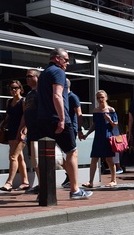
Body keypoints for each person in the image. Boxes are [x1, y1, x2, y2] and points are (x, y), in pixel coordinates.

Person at [37, 47, 91, 200]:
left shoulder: (43, 74)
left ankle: (44, 191)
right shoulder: (58, 72)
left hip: (43, 119)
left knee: (46, 155)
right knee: (72, 152)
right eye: (66, 60)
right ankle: (75, 190)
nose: (67, 63)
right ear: (57, 58)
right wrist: (62, 119)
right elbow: (57, 95)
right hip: (57, 119)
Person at [80, 90, 119, 188]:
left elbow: (115, 124)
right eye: (98, 98)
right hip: (98, 137)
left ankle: (113, 180)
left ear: (106, 97)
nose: (100, 99)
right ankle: (91, 182)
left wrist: (109, 119)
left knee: (109, 159)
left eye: (102, 97)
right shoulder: (95, 111)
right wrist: (87, 134)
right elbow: (95, 125)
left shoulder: (111, 110)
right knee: (94, 159)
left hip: (107, 136)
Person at [0, 80, 29, 192]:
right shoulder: (9, 101)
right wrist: (2, 124)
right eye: (11, 88)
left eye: (16, 88)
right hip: (11, 131)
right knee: (19, 158)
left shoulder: (24, 101)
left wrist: (23, 130)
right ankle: (25, 182)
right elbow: (8, 116)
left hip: (20, 132)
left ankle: (9, 183)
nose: (13, 90)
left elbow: (26, 117)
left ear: (21, 89)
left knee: (13, 157)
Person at [21, 69, 41, 194]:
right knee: (34, 158)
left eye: (30, 76)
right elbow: (26, 113)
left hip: (40, 130)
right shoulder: (29, 94)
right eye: (26, 76)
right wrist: (23, 128)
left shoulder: (41, 93)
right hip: (31, 131)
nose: (27, 79)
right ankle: (41, 183)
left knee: (41, 158)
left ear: (37, 78)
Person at [61, 78, 82, 188]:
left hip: (71, 128)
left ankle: (71, 177)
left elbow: (79, 113)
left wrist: (79, 129)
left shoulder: (72, 97)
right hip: (61, 128)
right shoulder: (62, 97)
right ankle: (69, 174)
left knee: (70, 153)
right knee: (59, 155)